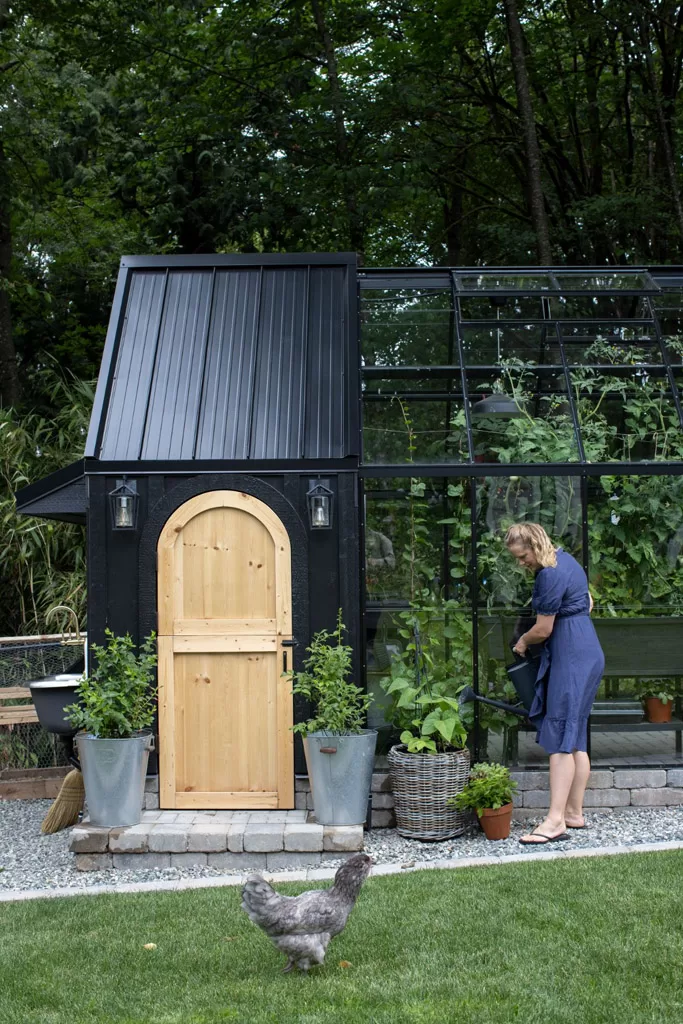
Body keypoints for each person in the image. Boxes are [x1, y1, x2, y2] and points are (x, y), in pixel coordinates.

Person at [505, 523, 605, 845]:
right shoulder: (568, 561)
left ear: (535, 543)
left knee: (561, 736)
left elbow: (543, 629)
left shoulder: (548, 573)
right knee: (575, 736)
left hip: (572, 655)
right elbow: (586, 602)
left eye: (523, 556)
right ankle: (574, 813)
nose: (522, 563)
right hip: (588, 652)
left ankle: (554, 821)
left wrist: (522, 642)